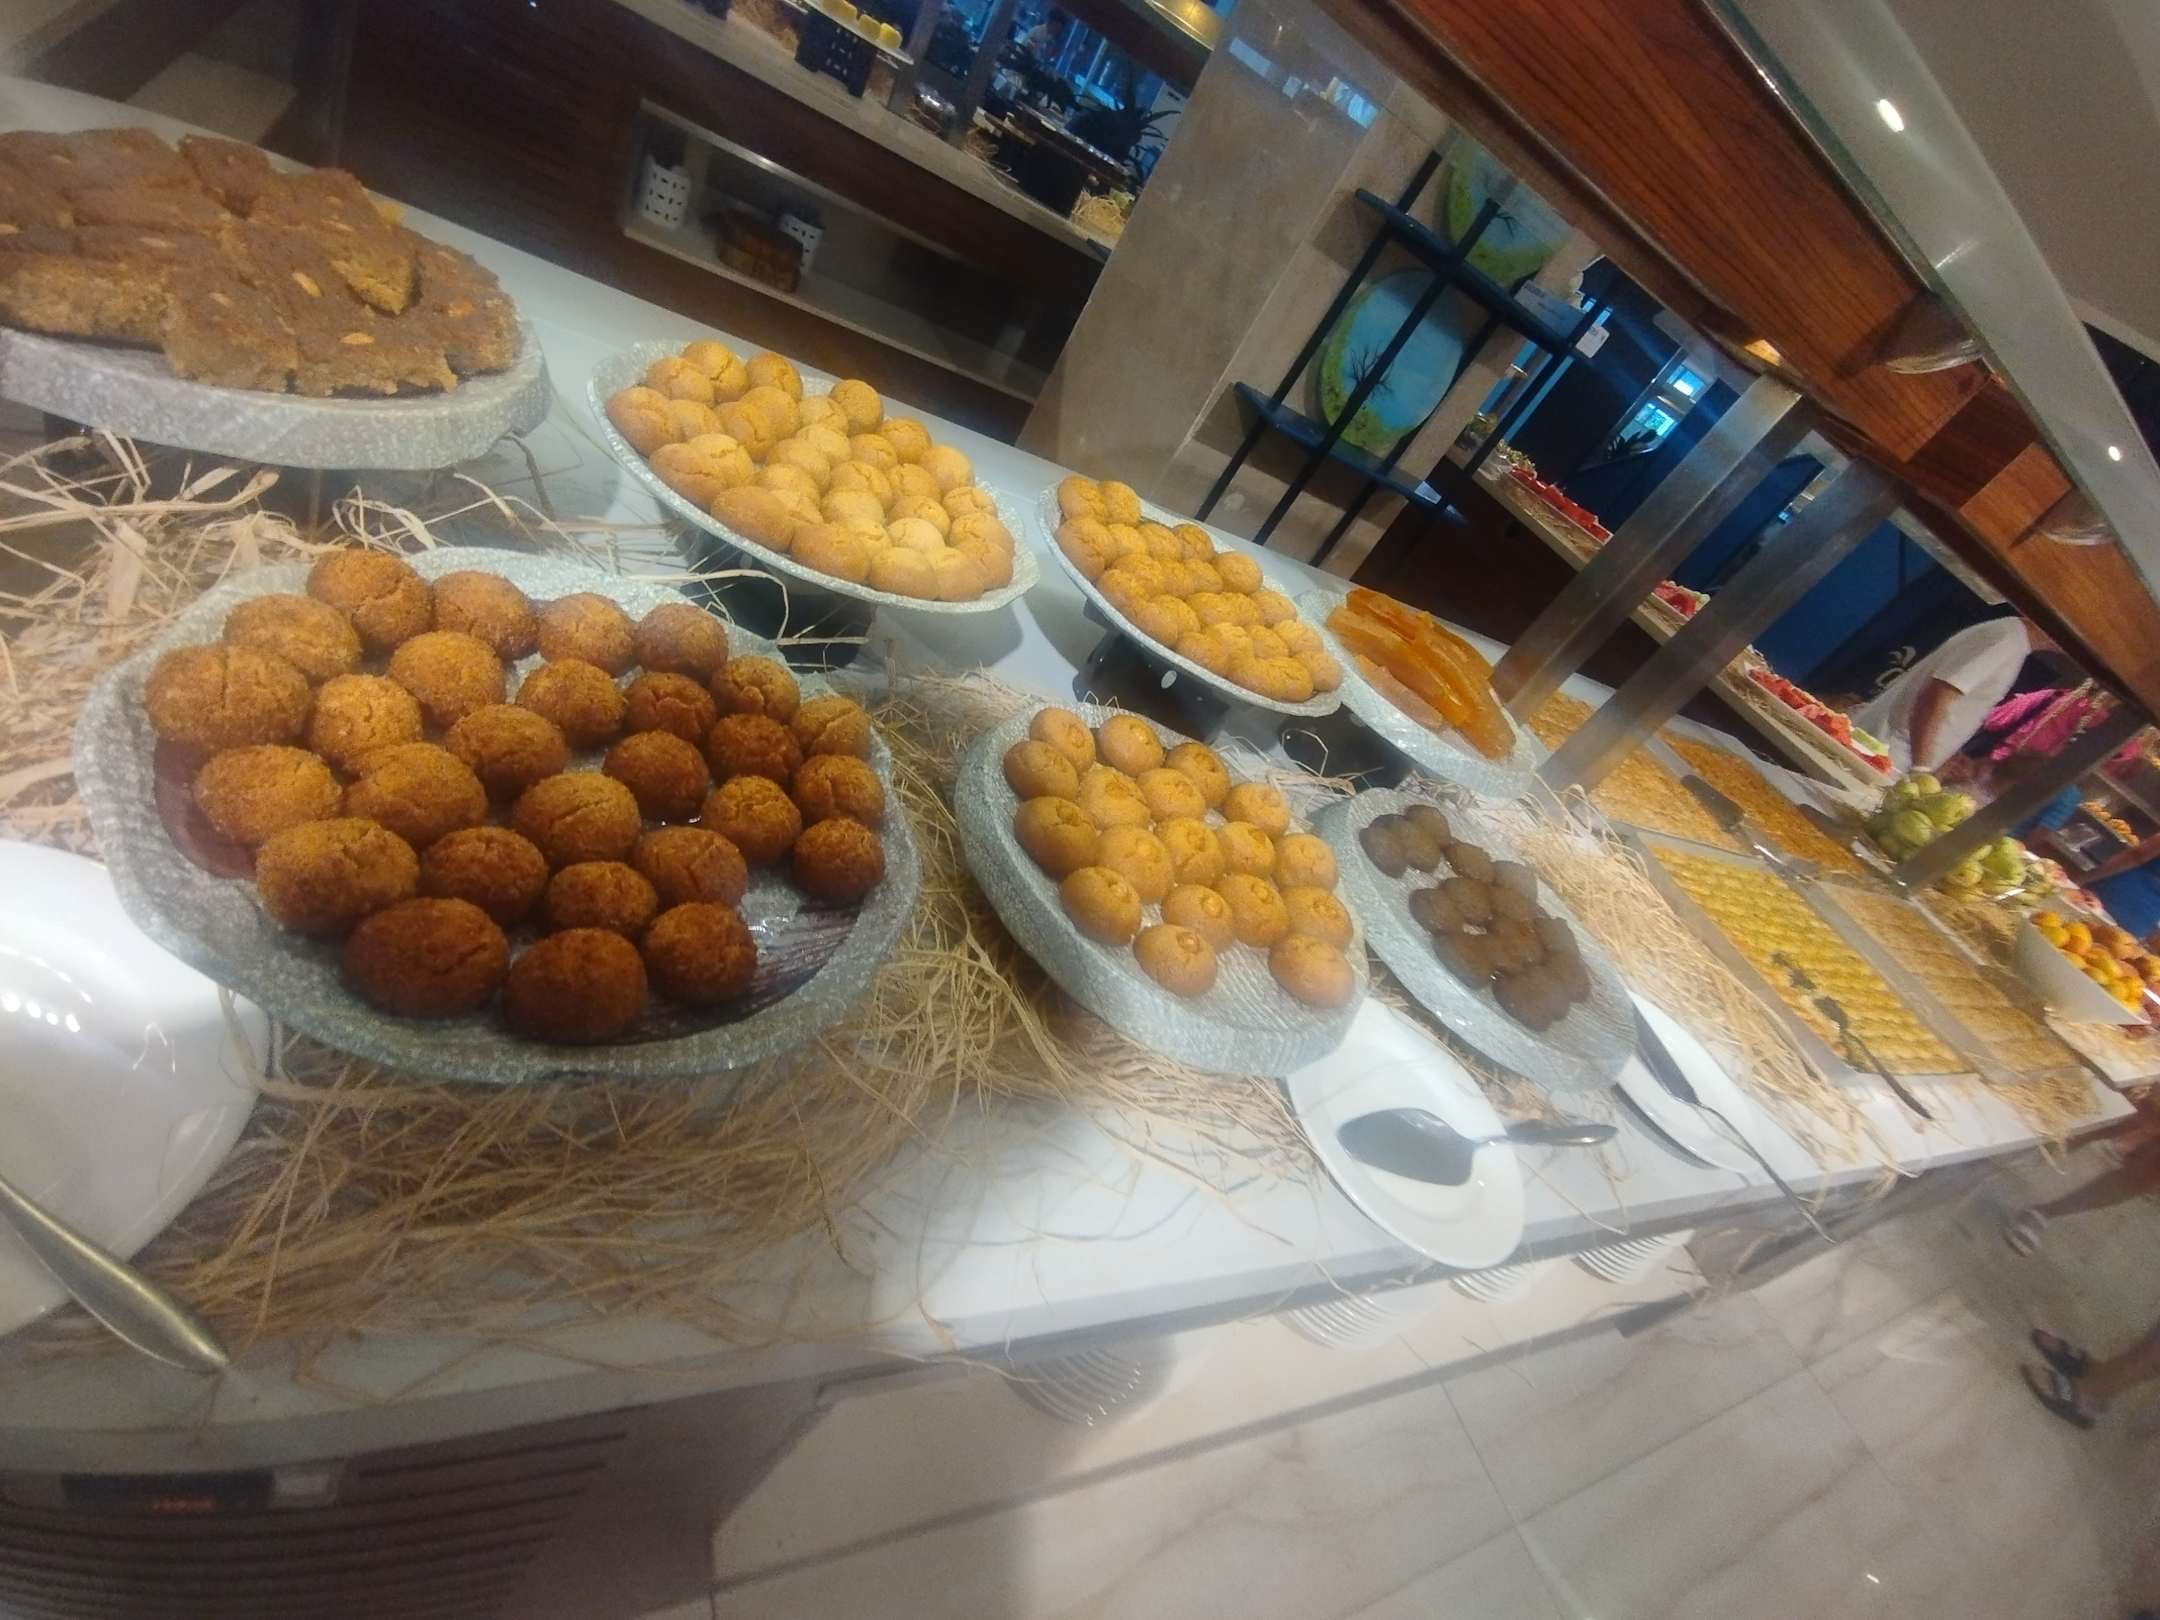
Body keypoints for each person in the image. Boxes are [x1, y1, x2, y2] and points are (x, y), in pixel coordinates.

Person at [1851, 612, 2053, 775]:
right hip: (1886, 751)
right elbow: (1936, 698)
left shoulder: (2012, 639)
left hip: (1892, 754)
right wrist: (1921, 769)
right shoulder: (2007, 640)